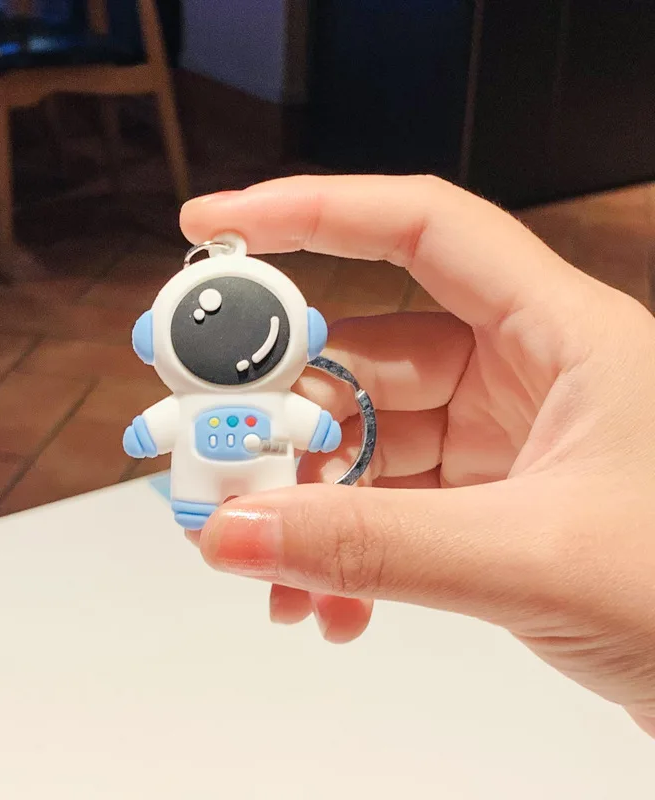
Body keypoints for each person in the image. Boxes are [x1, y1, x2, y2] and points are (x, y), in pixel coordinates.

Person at [179, 174, 655, 738]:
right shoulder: (206, 396)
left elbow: (308, 423)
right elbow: (186, 424)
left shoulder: (277, 397)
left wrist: (322, 437)